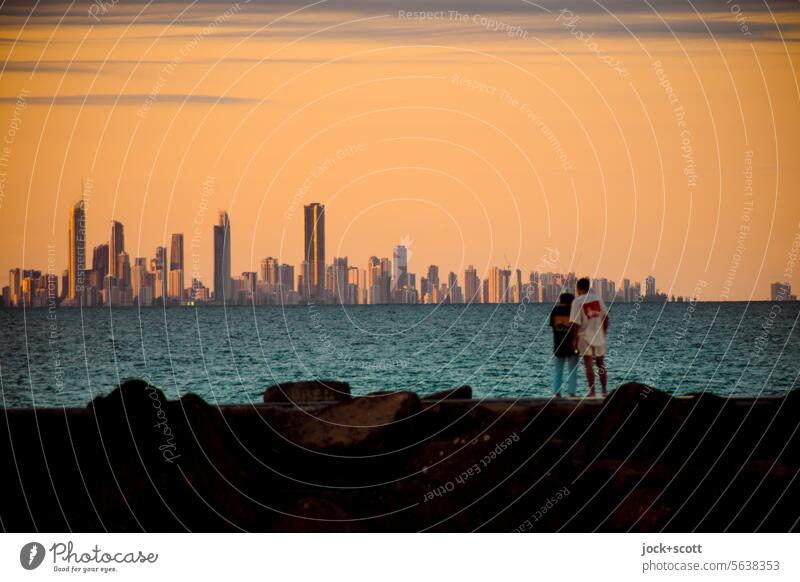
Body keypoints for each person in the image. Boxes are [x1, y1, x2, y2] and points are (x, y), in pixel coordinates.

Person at [570, 277, 609, 397]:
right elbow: (606, 317)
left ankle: (592, 392)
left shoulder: (577, 301)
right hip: (599, 335)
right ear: (588, 287)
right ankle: (604, 391)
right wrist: (604, 332)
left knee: (588, 363)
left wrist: (574, 339)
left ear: (578, 289)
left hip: (584, 336)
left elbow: (575, 323)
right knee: (601, 363)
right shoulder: (597, 298)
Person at [550, 292, 578, 398]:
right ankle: (571, 393)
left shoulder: (555, 311)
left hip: (558, 344)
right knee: (572, 370)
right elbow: (576, 327)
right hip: (572, 344)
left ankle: (557, 393)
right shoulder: (574, 311)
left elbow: (553, 327)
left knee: (558, 369)